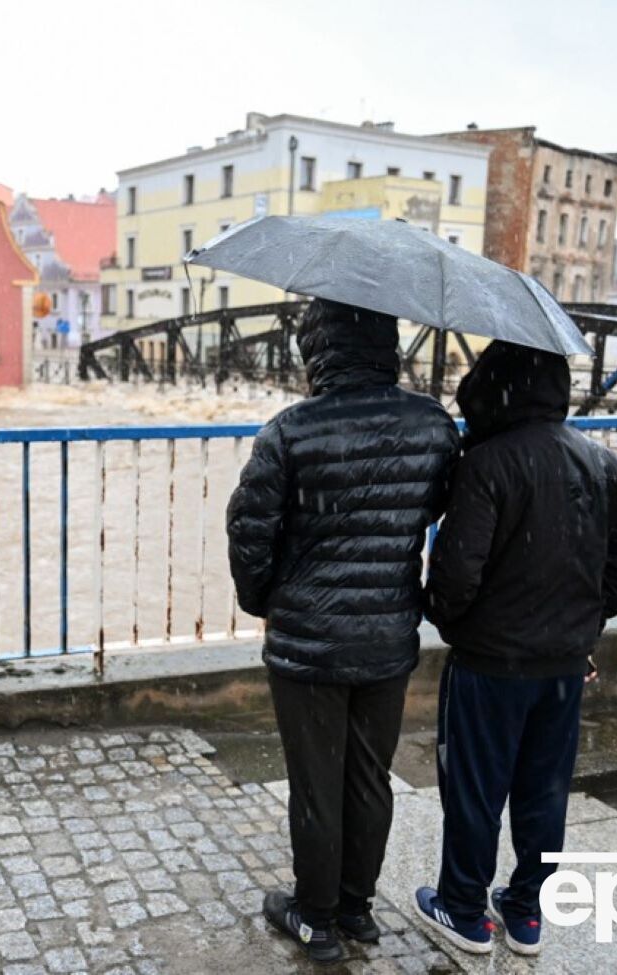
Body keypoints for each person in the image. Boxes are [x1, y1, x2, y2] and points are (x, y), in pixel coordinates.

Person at [226, 298, 460, 965]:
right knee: (369, 775)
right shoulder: (433, 428)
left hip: (308, 640)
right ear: (386, 344)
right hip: (387, 635)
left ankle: (315, 917)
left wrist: (266, 599)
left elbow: (249, 531)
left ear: (318, 347)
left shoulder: (290, 432)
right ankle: (358, 906)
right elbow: (443, 507)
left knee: (315, 780)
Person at [414, 341, 617, 956]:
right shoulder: (602, 464)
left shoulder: (486, 464)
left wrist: (447, 620)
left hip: (491, 665)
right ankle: (525, 912)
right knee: (544, 792)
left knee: (475, 789)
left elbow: (456, 576)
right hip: (564, 665)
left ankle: (462, 908)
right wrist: (582, 631)